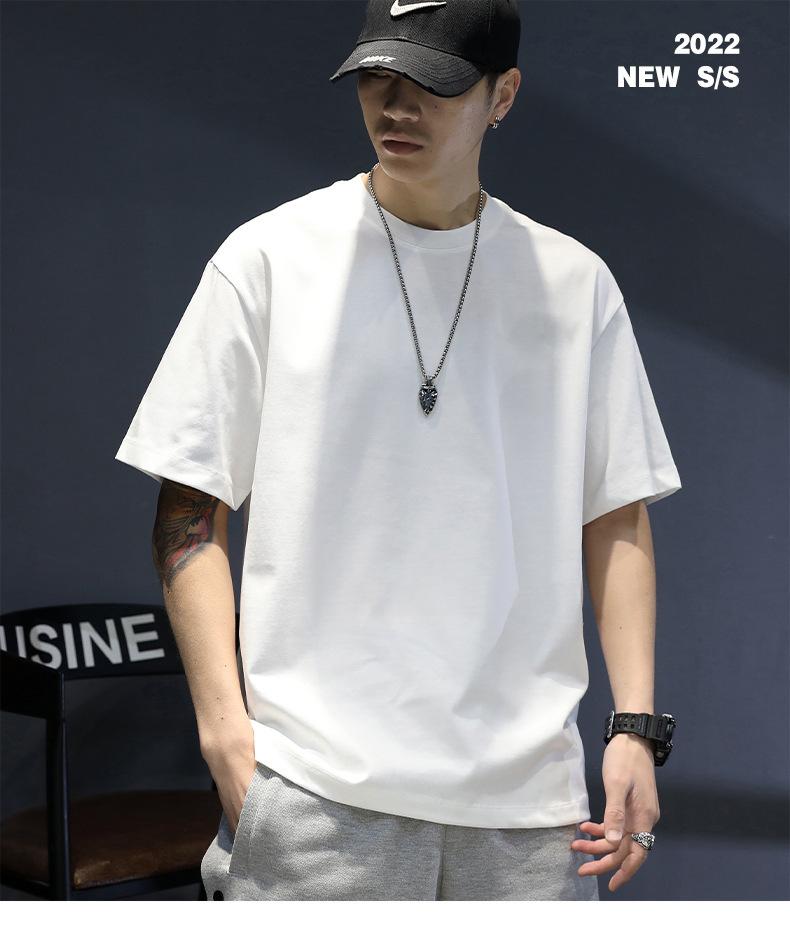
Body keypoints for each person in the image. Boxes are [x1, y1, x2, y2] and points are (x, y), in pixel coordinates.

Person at [115, 0, 681, 901]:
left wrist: (635, 727)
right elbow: (188, 507)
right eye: (376, 78)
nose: (396, 106)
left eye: (434, 84)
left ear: (503, 95)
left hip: (528, 811)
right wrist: (225, 734)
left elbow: (615, 511)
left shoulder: (574, 285)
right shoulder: (268, 259)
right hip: (314, 794)